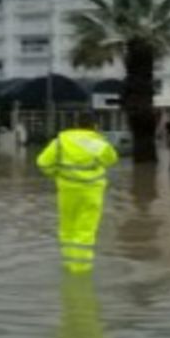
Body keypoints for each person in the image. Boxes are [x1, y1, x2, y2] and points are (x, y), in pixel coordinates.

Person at [36, 111, 119, 271]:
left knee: (67, 228)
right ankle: (81, 269)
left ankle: (68, 264)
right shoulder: (98, 143)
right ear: (95, 126)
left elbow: (43, 163)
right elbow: (111, 160)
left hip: (67, 190)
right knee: (85, 231)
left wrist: (56, 174)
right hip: (91, 192)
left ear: (76, 124)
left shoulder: (60, 141)